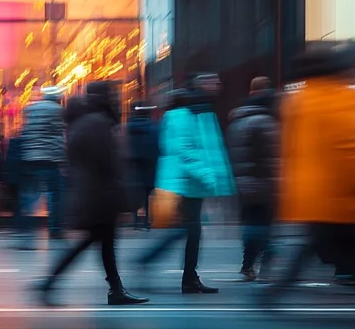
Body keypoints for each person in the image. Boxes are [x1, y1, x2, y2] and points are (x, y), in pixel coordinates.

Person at [269, 43, 355, 322]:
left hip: (313, 193)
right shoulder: (341, 99)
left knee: (334, 249)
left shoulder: (299, 100)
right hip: (340, 193)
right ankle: (273, 294)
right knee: (336, 249)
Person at [35, 83, 148, 306]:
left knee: (103, 245)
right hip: (99, 196)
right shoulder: (97, 124)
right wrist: (123, 193)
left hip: (93, 194)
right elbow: (109, 163)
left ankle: (115, 289)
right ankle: (50, 282)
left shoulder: (86, 122)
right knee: (94, 243)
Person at [138, 74, 235, 293]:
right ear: (198, 86)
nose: (217, 84)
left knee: (190, 231)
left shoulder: (199, 110)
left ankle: (189, 278)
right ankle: (155, 263)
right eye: (212, 81)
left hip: (191, 182)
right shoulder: (183, 115)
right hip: (183, 182)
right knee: (188, 230)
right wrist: (208, 175)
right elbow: (184, 151)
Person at [226, 76, 280, 281]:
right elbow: (272, 156)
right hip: (262, 183)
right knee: (262, 226)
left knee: (251, 225)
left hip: (243, 182)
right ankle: (266, 258)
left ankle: (248, 266)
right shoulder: (264, 121)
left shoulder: (238, 119)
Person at [16, 85, 66, 244]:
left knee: (30, 195)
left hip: (31, 157)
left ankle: (25, 229)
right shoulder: (57, 110)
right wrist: (63, 158)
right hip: (50, 159)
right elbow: (59, 136)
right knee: (54, 195)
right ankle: (55, 230)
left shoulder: (31, 109)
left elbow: (25, 133)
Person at [126, 102, 159, 230]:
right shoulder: (153, 127)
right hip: (150, 165)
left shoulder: (129, 127)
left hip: (133, 165)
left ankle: (135, 221)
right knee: (147, 194)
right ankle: (146, 221)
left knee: (135, 193)